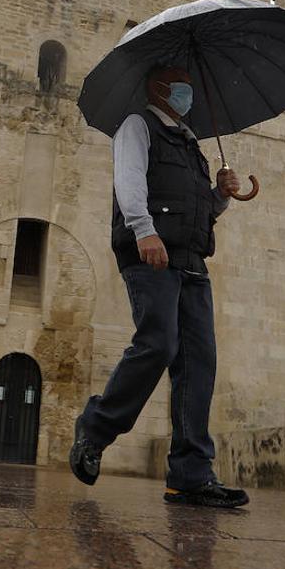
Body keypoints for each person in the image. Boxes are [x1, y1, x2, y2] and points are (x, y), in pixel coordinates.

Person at [69, 66, 250, 508]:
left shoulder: (190, 143)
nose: (188, 90)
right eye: (179, 83)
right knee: (158, 343)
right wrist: (142, 229)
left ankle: (190, 475)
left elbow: (200, 210)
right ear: (158, 88)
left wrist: (222, 194)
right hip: (149, 252)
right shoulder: (137, 125)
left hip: (190, 261)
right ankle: (94, 430)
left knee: (199, 364)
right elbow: (128, 181)